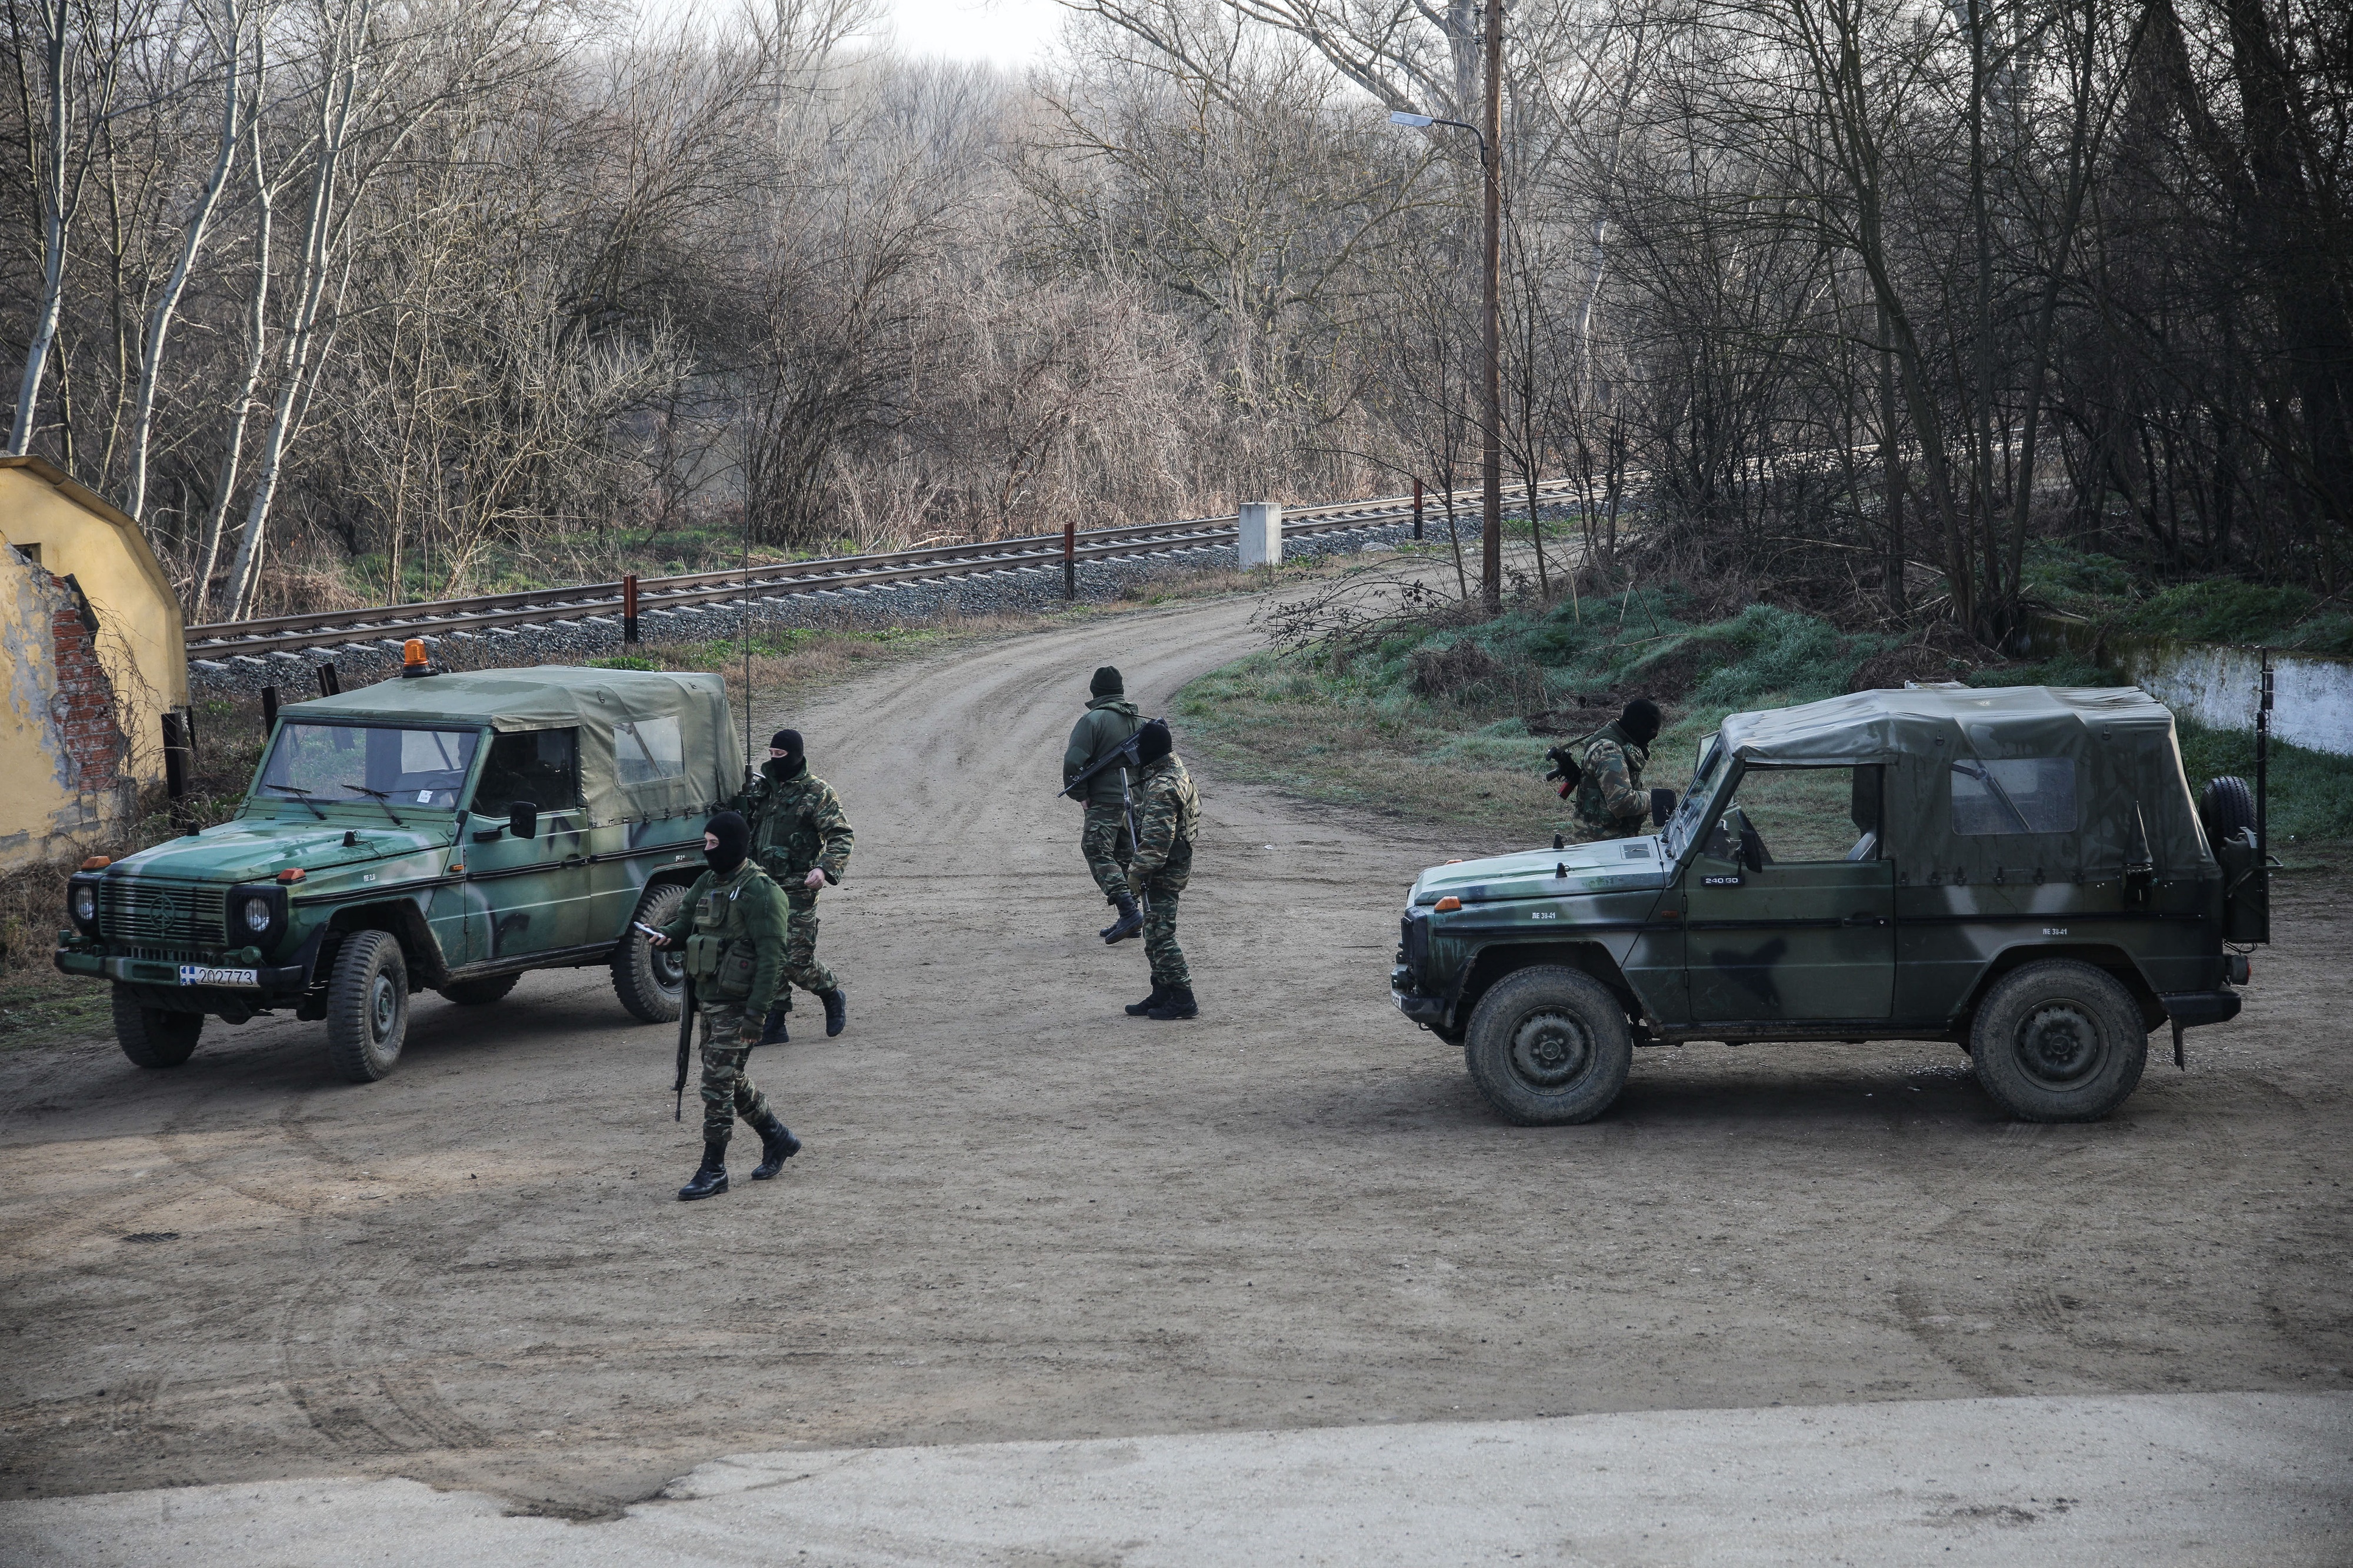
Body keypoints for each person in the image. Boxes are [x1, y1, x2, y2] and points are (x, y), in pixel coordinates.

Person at [649, 811, 799, 1202]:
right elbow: (686, 925)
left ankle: (713, 1169)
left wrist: (757, 1015)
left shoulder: (762, 893)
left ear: (732, 845)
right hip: (710, 1001)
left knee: (716, 1084)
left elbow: (772, 959)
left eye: (713, 844)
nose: (706, 850)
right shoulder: (707, 882)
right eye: (706, 842)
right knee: (728, 1078)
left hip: (740, 1005)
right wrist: (666, 937)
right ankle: (776, 1136)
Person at [735, 729, 854, 1045]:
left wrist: (824, 869)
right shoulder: (761, 790)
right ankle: (774, 1023)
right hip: (759, 884)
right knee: (764, 953)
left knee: (794, 959)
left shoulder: (817, 792)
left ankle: (830, 992)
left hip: (797, 886)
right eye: (771, 754)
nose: (775, 760)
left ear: (796, 755)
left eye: (781, 755)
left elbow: (841, 835)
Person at [1119, 719, 1201, 1020]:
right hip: (1173, 865)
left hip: (1164, 870)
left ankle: (1183, 997)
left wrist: (1136, 873)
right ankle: (1162, 991)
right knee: (1154, 931)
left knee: (1160, 934)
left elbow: (1155, 843)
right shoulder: (1175, 772)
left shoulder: (1163, 786)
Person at [1062, 666, 1146, 939]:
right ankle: (1132, 918)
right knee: (1125, 856)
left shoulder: (1093, 720)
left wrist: (1080, 794)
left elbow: (1074, 762)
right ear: (1120, 691)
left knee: (1096, 849)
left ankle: (1128, 911)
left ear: (1095, 692)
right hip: (1134, 801)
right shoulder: (1138, 721)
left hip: (1105, 801)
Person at [1572, 698, 1662, 841]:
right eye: (1652, 732)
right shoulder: (1609, 752)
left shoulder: (1618, 737)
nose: (1654, 737)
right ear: (1641, 726)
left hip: (1609, 836)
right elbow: (1622, 802)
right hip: (1600, 841)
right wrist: (1657, 800)